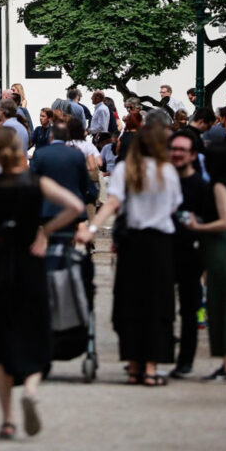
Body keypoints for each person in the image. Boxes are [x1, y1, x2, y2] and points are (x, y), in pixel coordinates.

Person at [0, 131, 84, 438]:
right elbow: (74, 206)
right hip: (28, 259)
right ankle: (31, 390)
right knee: (34, 328)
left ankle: (7, 419)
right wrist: (45, 231)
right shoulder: (37, 183)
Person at [77, 124, 182, 386]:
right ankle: (150, 367)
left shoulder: (125, 169)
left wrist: (91, 229)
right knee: (157, 305)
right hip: (159, 243)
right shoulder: (167, 171)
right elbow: (174, 207)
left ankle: (134, 364)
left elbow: (112, 203)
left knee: (130, 303)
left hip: (132, 244)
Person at [184, 144, 226, 380]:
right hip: (221, 246)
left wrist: (198, 226)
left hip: (218, 246)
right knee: (224, 304)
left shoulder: (218, 186)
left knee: (221, 305)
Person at [168, 127, 212, 378]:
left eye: (182, 150)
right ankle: (157, 354)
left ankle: (185, 361)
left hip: (191, 254)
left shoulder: (201, 186)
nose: (177, 154)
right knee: (160, 305)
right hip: (163, 250)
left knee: (189, 308)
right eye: (174, 149)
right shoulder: (163, 182)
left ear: (193, 154)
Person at [29, 122, 88, 224]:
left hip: (47, 209)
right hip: (71, 207)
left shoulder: (40, 154)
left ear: (51, 136)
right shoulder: (77, 154)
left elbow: (32, 180)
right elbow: (84, 183)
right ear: (67, 137)